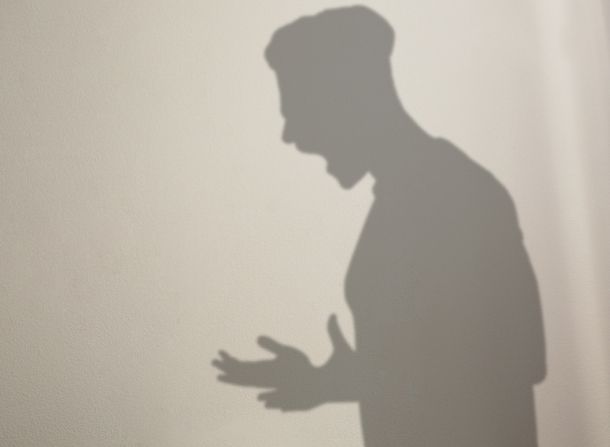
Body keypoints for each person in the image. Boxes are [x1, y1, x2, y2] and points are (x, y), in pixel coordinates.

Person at [213, 6, 546, 446]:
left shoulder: (459, 196)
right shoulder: (411, 199)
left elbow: (516, 360)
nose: (290, 134)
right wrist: (336, 382)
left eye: (299, 111)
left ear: (346, 100)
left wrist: (353, 380)